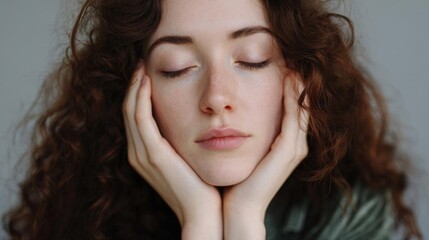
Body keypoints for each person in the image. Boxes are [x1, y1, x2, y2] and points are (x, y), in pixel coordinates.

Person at [4, 0, 422, 239]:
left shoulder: (357, 217)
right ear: (130, 89)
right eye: (177, 67)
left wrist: (243, 217)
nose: (217, 98)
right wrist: (201, 223)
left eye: (253, 60)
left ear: (301, 75)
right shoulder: (83, 221)